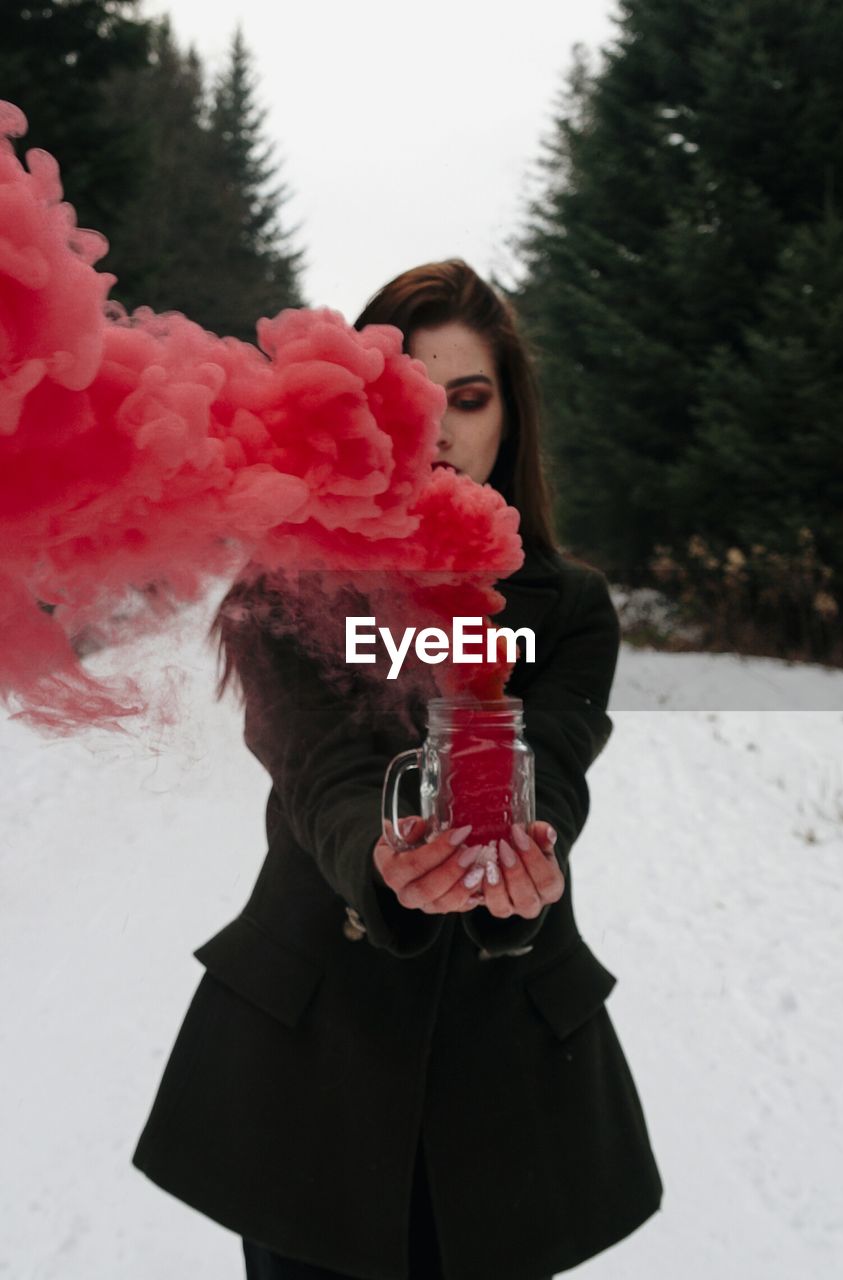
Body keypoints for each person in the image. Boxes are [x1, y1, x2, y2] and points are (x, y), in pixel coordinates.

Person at [131, 260, 663, 1279]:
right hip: (319, 1062)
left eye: (470, 397)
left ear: (510, 414)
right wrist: (384, 859)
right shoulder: (288, 590)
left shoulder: (567, 607)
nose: (445, 429)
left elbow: (551, 752)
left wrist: (522, 850)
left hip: (505, 1066)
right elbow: (320, 761)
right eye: (410, 401)